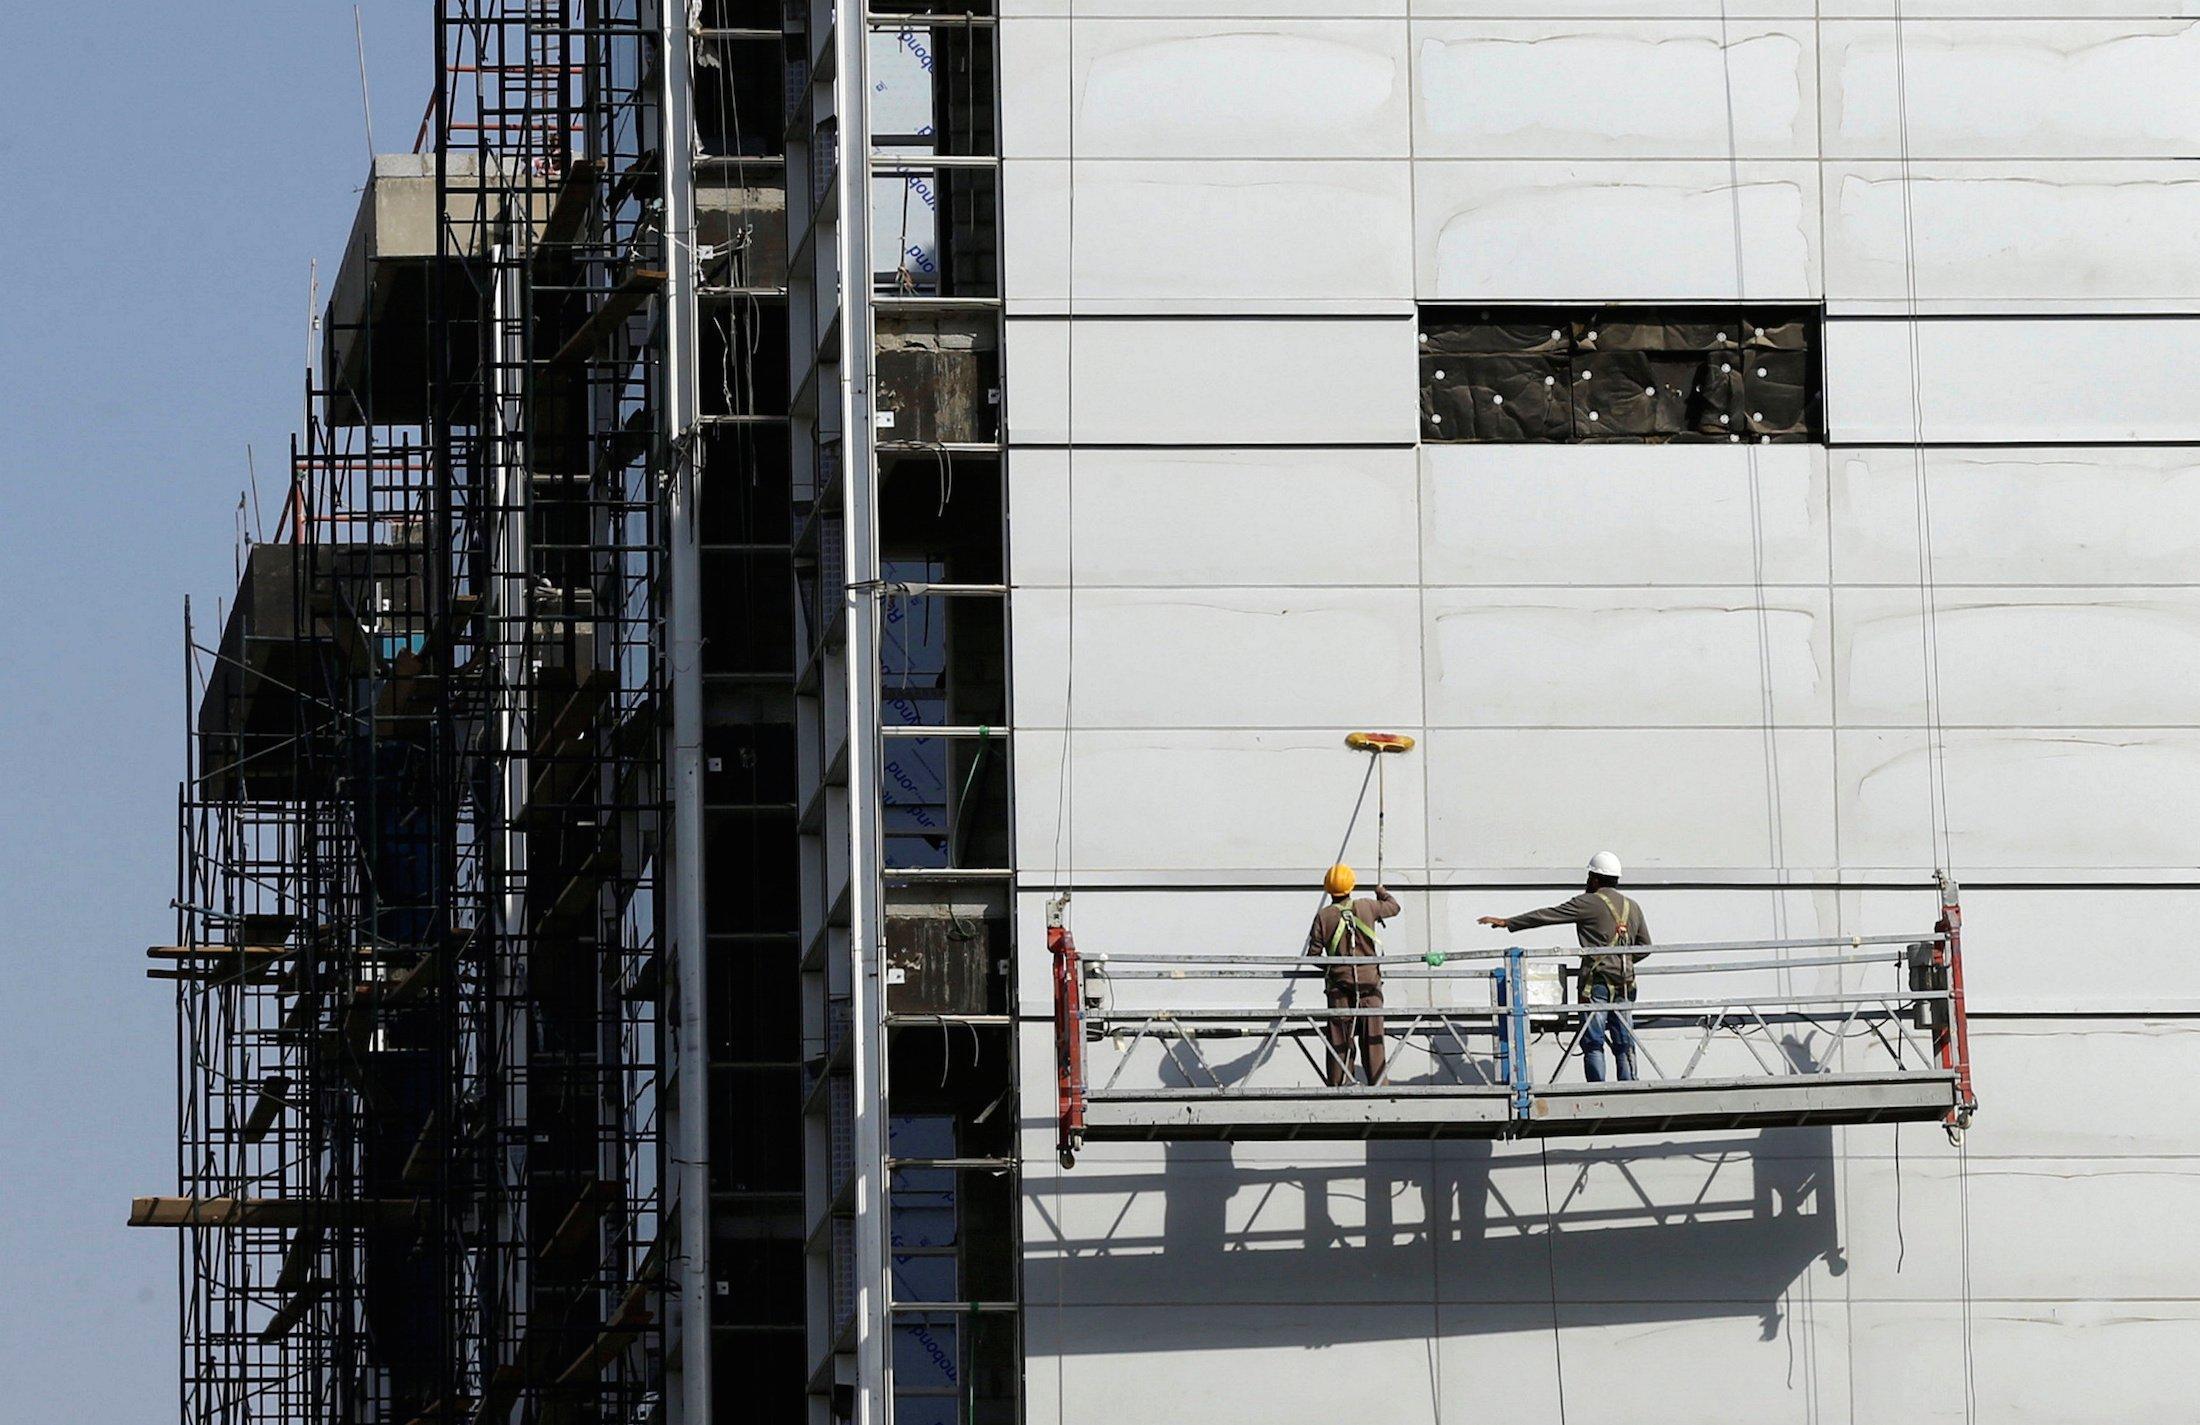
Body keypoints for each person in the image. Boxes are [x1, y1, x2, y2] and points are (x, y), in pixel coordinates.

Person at [1478, 851, 1651, 1083]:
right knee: (1624, 1042)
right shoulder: (1633, 907)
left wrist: (1508, 922)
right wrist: (1624, 962)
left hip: (1595, 984)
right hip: (1625, 984)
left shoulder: (1587, 902)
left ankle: (1598, 1091)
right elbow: (1645, 946)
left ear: (1595, 879)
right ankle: (1630, 1088)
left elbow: (1547, 915)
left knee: (1593, 1043)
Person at [1306, 863, 1402, 1087]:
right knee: (1373, 1039)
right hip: (1370, 985)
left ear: (1328, 889)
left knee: (1339, 1038)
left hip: (1339, 987)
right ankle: (1378, 1087)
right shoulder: (1368, 906)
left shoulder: (1324, 916)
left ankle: (1340, 1086)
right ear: (1352, 886)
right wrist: (1382, 893)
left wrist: (1335, 969)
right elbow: (1394, 908)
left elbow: (1314, 955)